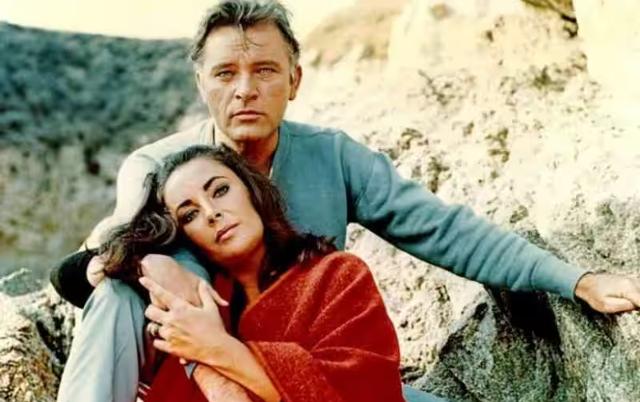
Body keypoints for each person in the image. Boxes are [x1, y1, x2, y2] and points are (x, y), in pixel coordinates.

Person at [51, 0, 640, 401]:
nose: (245, 89)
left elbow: (444, 230)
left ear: (295, 80)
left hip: (307, 377)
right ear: (202, 84)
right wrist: (151, 271)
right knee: (119, 291)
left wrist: (574, 279)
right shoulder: (160, 168)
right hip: (195, 372)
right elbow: (107, 262)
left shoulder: (331, 157)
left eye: (265, 70)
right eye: (225, 73)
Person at [58, 145, 406, 402]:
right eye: (189, 214)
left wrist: (215, 348)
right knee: (115, 294)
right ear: (183, 235)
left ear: (252, 191)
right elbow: (65, 277)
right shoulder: (189, 296)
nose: (211, 212)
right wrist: (146, 262)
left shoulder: (336, 275)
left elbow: (366, 391)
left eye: (220, 191)